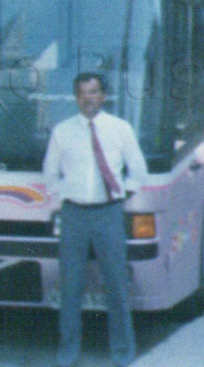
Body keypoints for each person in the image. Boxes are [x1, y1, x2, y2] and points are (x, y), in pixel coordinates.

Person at [43, 72, 149, 367]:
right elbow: (50, 174)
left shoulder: (120, 129)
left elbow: (138, 171)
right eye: (82, 93)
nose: (88, 98)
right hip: (74, 215)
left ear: (103, 96)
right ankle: (67, 356)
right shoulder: (62, 132)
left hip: (108, 214)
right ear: (76, 98)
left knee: (115, 285)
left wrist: (120, 194)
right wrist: (68, 193)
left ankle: (123, 354)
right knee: (70, 287)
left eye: (93, 92)